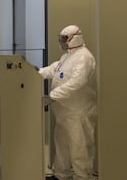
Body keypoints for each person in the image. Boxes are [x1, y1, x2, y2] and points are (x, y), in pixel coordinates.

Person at [38, 25, 97, 180]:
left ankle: (82, 176)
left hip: (78, 111)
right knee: (61, 145)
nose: (61, 42)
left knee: (80, 147)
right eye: (60, 38)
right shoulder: (67, 56)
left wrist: (52, 96)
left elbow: (77, 82)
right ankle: (60, 175)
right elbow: (54, 69)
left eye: (64, 39)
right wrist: (35, 72)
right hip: (63, 112)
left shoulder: (84, 57)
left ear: (74, 38)